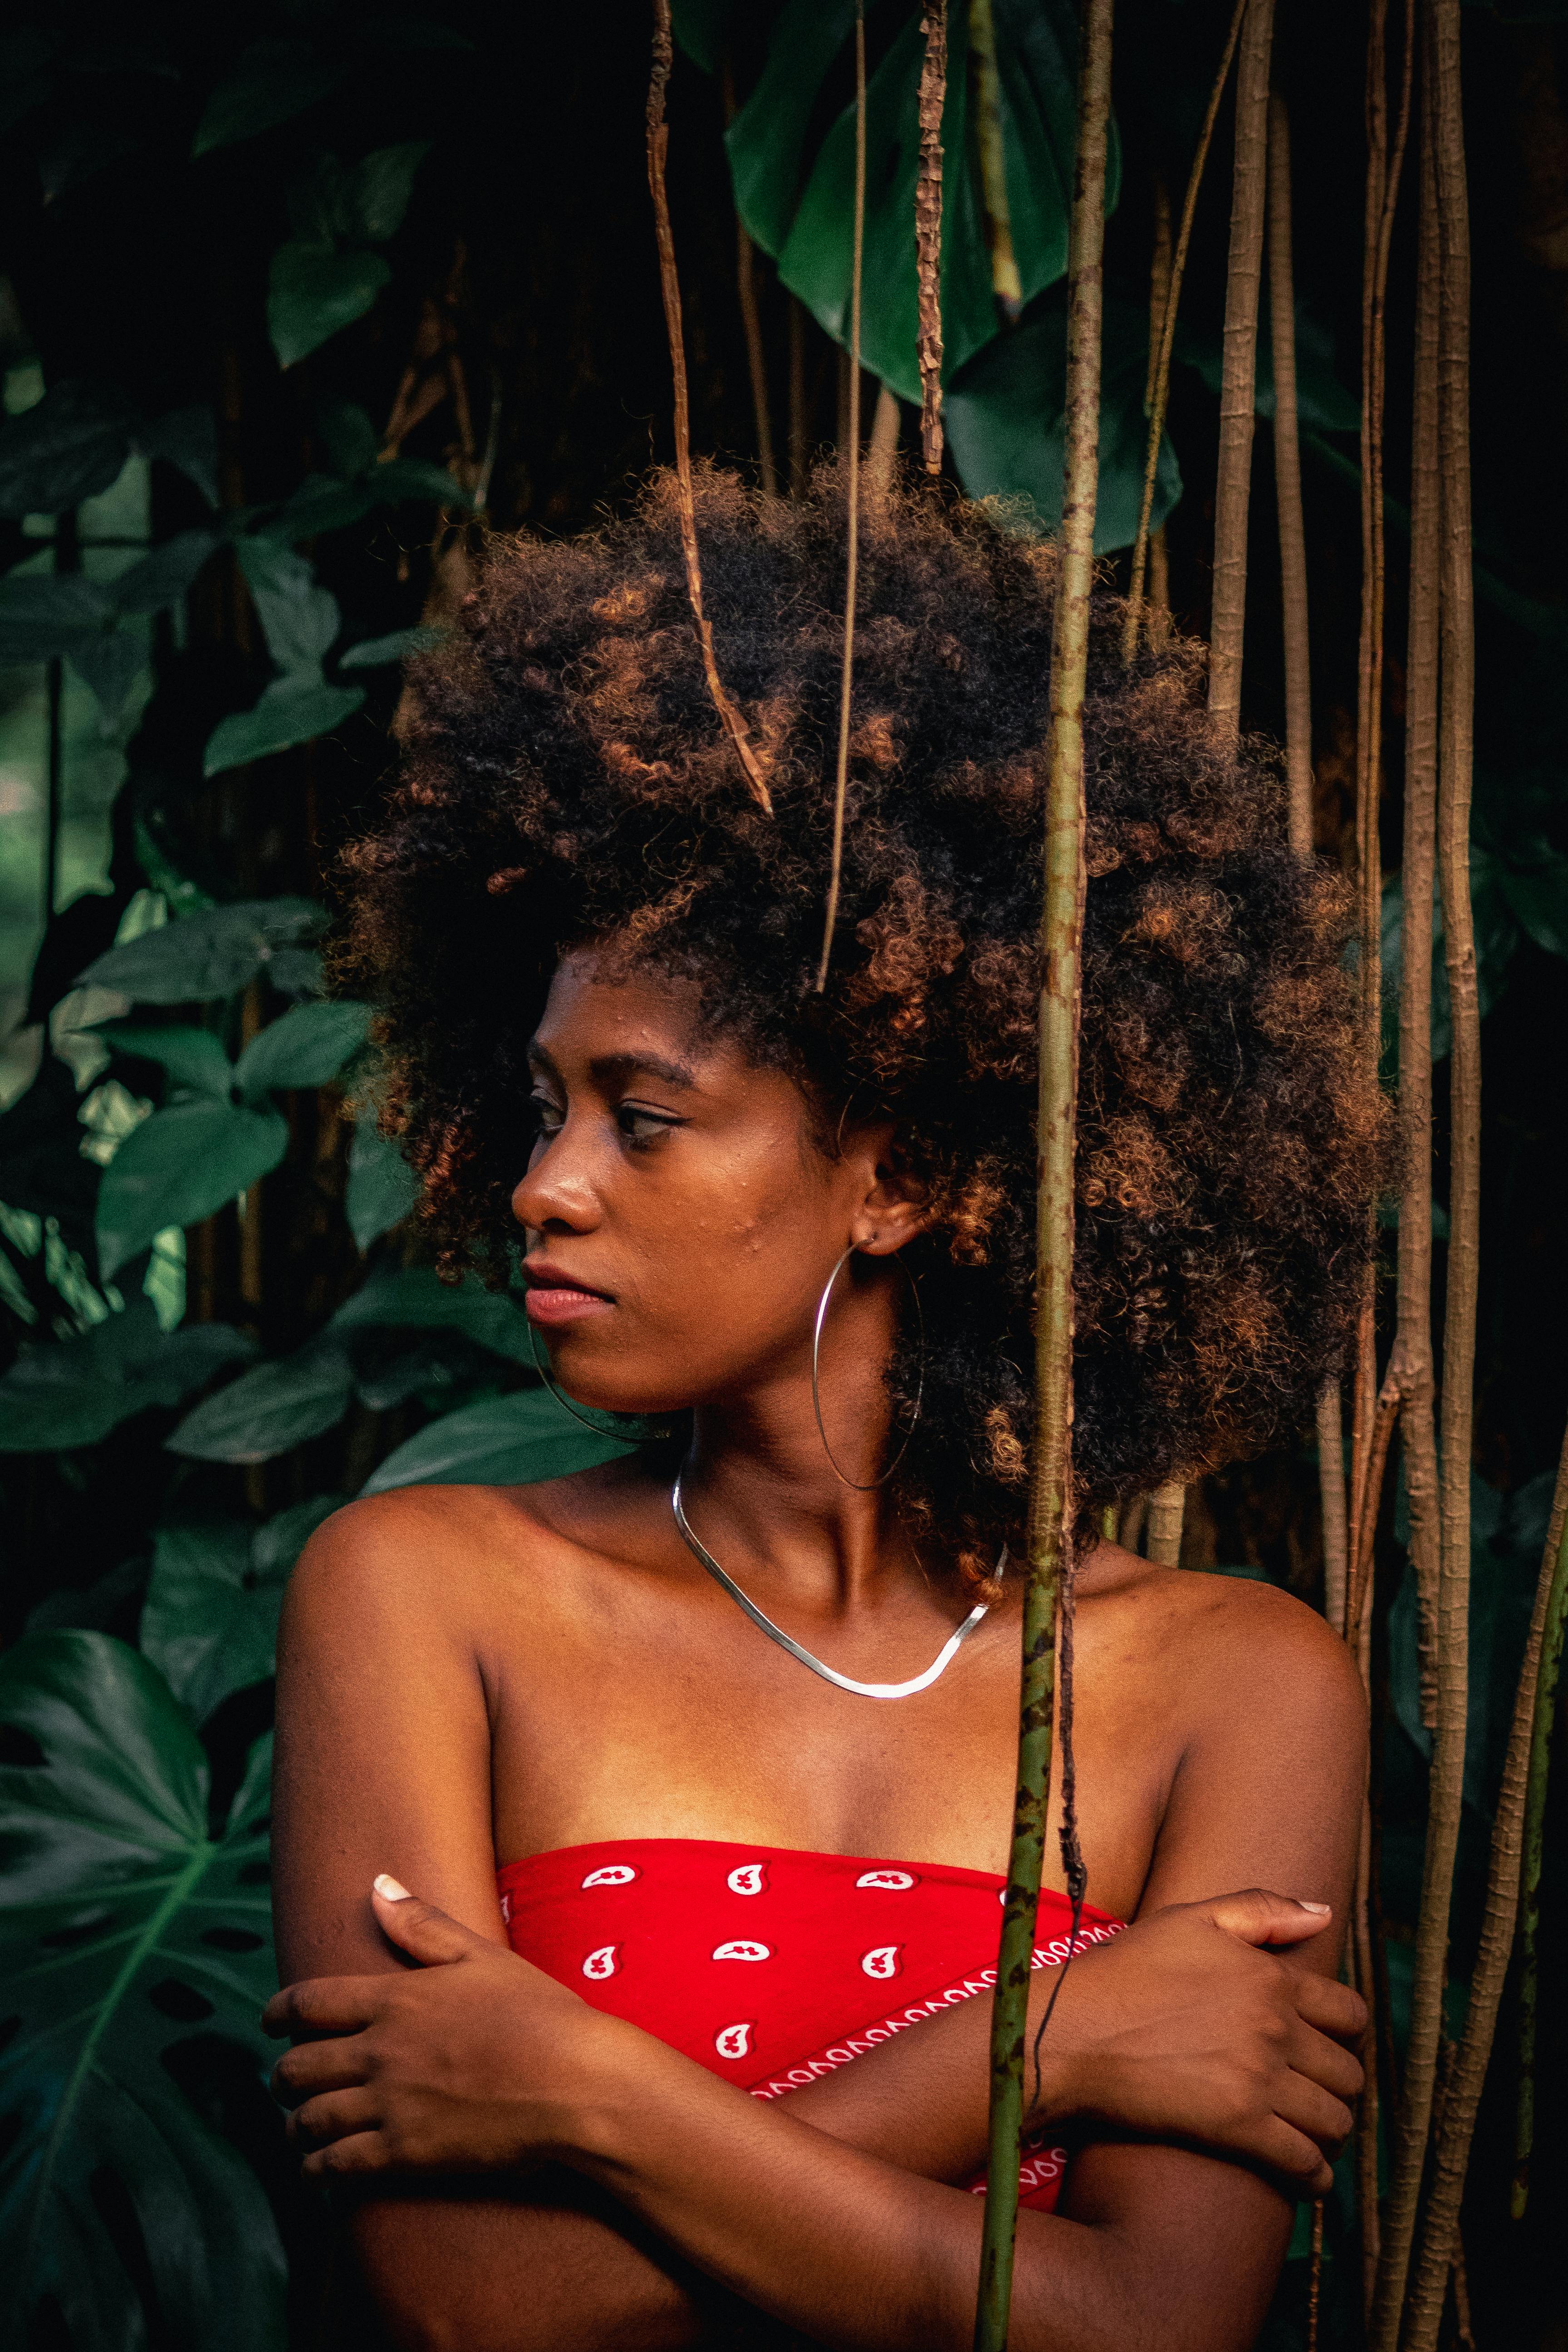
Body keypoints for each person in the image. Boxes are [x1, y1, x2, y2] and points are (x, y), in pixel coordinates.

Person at [269, 469, 1378, 2351]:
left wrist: (582, 2094)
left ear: (905, 1176)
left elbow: (1148, 2336)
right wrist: (1049, 2041)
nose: (546, 1185)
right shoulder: (427, 1596)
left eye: (647, 1113)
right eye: (544, 1107)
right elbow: (472, 2314)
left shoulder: (1239, 1686)